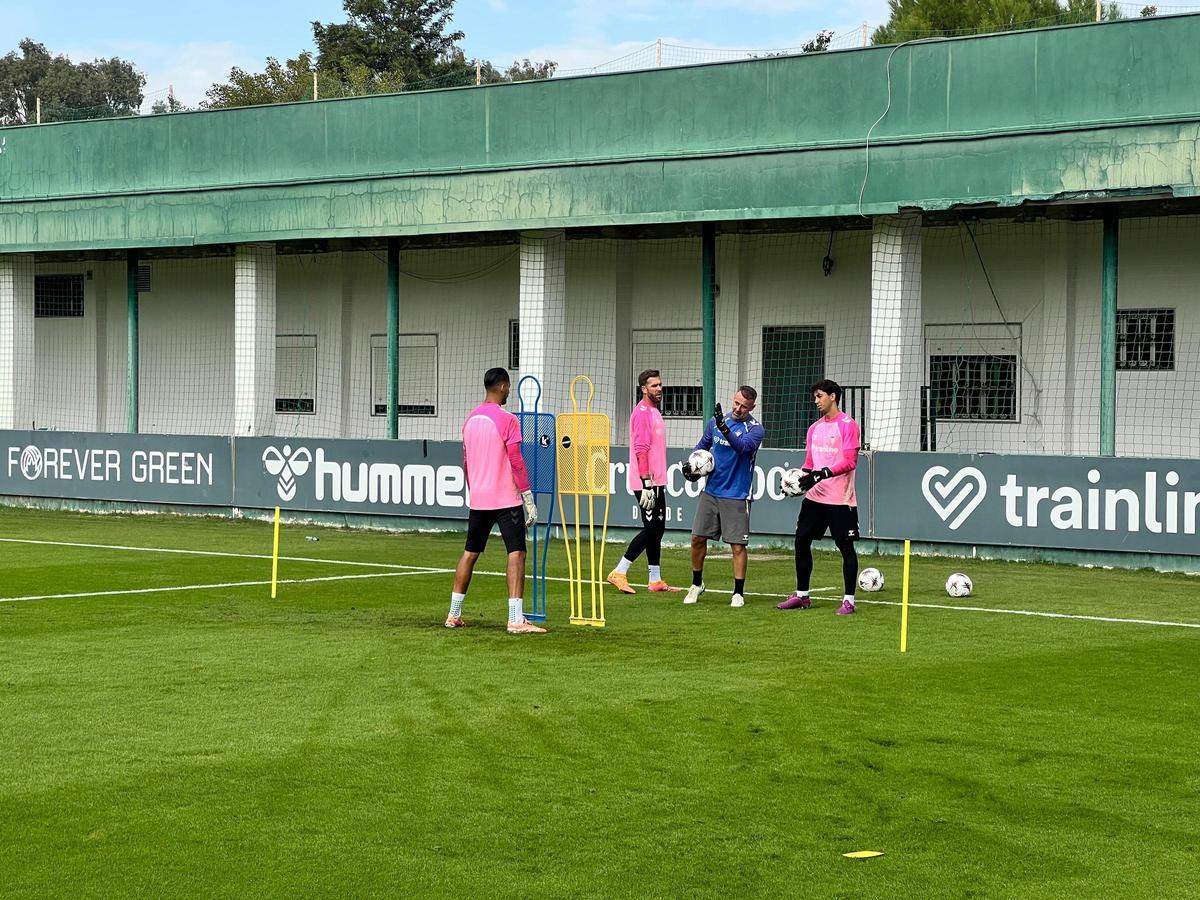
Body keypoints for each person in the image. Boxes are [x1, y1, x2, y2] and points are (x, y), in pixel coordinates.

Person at [445, 367, 544, 634]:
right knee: (517, 552)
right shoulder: (507, 419)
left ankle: (454, 614)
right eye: (508, 387)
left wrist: (474, 490)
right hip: (505, 499)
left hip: (479, 499)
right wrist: (528, 497)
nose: (508, 391)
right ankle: (515, 619)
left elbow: (466, 462)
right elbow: (516, 461)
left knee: (470, 553)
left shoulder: (470, 419)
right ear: (502, 386)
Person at [777, 379, 862, 615]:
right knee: (801, 541)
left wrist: (823, 473)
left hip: (840, 499)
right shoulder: (814, 428)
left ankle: (849, 601)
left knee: (845, 547)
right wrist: (795, 483)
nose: (816, 401)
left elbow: (850, 462)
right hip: (814, 498)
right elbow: (809, 464)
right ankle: (802, 596)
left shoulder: (848, 425)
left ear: (833, 396)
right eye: (815, 396)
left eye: (819, 396)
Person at [682, 386, 764, 608]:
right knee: (697, 539)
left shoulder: (756, 429)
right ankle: (696, 584)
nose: (738, 408)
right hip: (711, 491)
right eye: (736, 403)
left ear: (752, 407)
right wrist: (692, 466)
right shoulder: (715, 422)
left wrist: (725, 428)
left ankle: (738, 593)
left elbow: (743, 448)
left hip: (737, 494)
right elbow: (702, 447)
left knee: (737, 546)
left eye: (744, 406)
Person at [608, 369, 680, 595]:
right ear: (643, 389)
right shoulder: (641, 413)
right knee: (652, 529)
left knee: (658, 529)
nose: (659, 389)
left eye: (660, 384)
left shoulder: (654, 411)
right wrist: (646, 483)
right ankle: (619, 571)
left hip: (656, 482)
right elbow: (641, 450)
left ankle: (655, 579)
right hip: (646, 483)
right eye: (654, 385)